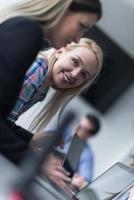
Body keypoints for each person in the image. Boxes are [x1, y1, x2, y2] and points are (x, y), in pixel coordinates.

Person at [0, 0, 102, 163]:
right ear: (59, 51)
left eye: (84, 75)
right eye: (75, 62)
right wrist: (36, 162)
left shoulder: (43, 86)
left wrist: (30, 139)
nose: (77, 38)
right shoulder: (38, 67)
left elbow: (4, 122)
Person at [60, 114, 100, 190]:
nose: (76, 127)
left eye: (82, 128)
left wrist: (77, 180)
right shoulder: (63, 131)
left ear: (90, 135)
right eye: (79, 123)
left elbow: (84, 182)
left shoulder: (87, 154)